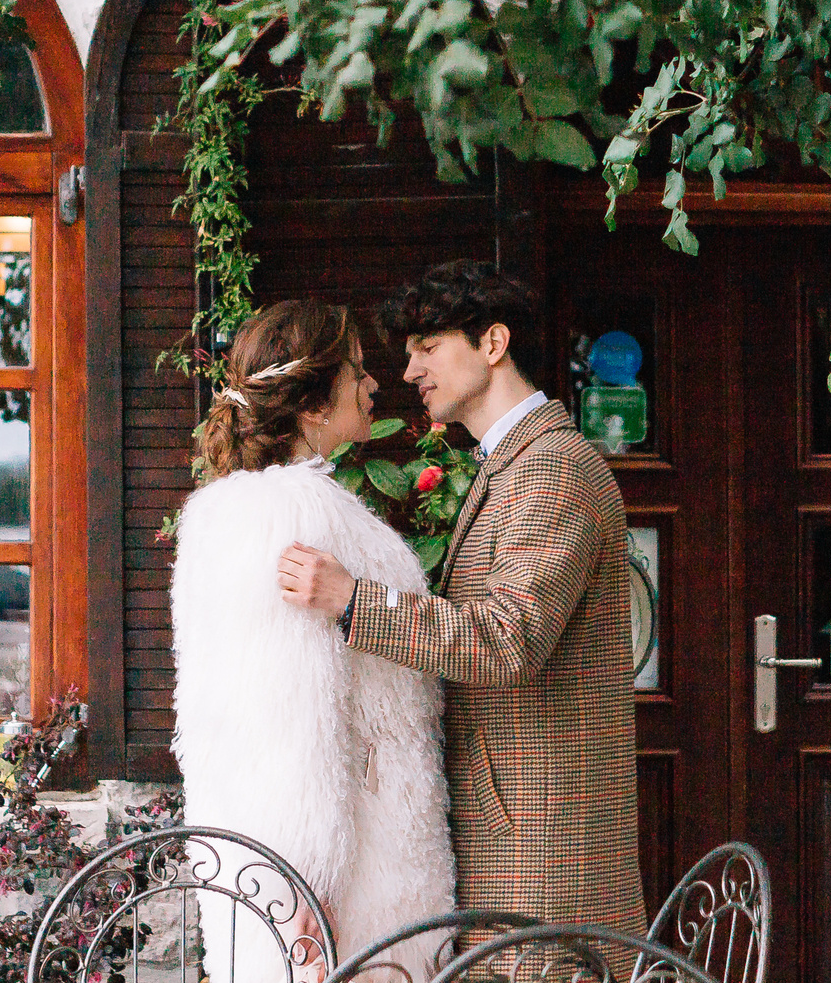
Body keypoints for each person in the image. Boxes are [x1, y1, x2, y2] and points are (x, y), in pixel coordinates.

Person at [275, 260, 645, 937]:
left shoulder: (552, 468)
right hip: (513, 826)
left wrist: (355, 601)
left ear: (493, 344)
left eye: (429, 347)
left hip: (541, 843)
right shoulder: (511, 462)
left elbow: (507, 640)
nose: (410, 370)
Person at [170, 298, 455, 983]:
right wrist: (304, 886)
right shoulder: (293, 515)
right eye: (357, 370)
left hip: (320, 862)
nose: (375, 383)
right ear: (315, 405)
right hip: (347, 888)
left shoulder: (240, 512)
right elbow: (286, 715)